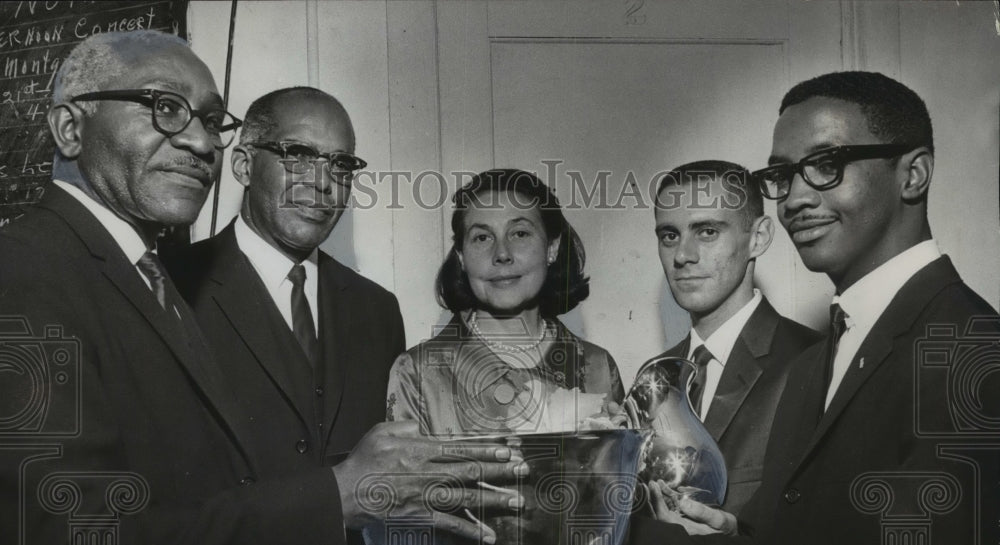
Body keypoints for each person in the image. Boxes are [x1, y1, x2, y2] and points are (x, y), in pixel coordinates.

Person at [0, 31, 523, 545]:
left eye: (210, 121)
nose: (203, 143)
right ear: (70, 128)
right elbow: (63, 528)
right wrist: (332, 497)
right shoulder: (24, 272)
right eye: (163, 106)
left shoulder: (146, 277)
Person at [633, 71, 1000, 544]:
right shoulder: (816, 362)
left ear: (913, 174)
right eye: (783, 176)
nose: (796, 199)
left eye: (827, 164)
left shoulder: (975, 351)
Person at [386, 169, 625, 437]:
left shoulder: (597, 367)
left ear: (552, 248)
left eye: (520, 233)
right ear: (462, 257)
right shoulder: (419, 374)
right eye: (482, 237)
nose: (501, 254)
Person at [648, 160, 820, 516]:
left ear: (758, 238)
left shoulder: (814, 360)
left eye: (707, 232)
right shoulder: (655, 376)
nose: (682, 256)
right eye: (669, 235)